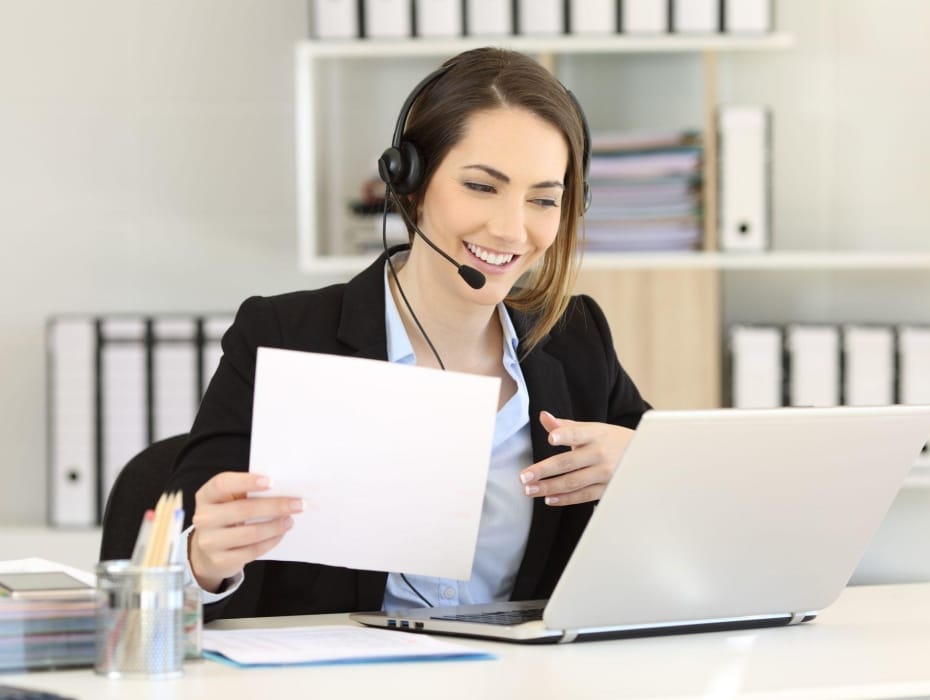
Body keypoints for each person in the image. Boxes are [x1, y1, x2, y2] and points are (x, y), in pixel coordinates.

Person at [164, 47, 650, 621]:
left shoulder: (575, 338)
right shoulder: (284, 335)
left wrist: (644, 472)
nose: (512, 228)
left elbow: (686, 541)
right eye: (481, 186)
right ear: (409, 182)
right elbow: (168, 579)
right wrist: (203, 559)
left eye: (544, 199)